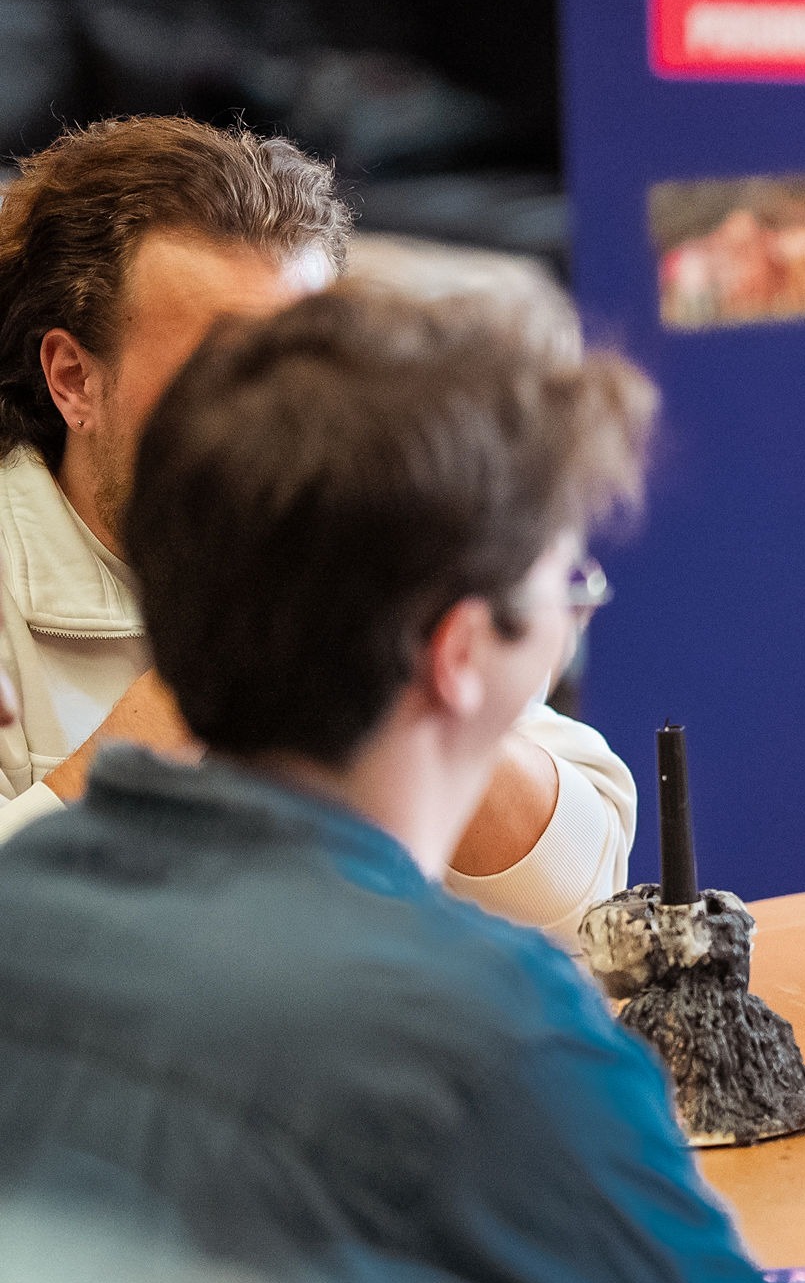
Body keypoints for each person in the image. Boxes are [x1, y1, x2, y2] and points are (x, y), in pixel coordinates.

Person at [0, 284, 805, 1283]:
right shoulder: (481, 1034)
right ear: (463, 653)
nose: (570, 625)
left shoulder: (28, 901)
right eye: (566, 590)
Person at [0, 116, 637, 937]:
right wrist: (190, 703)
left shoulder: (349, 521)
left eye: (306, 371)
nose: (280, 422)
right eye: (225, 371)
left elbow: (587, 896)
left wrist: (428, 689)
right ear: (73, 380)